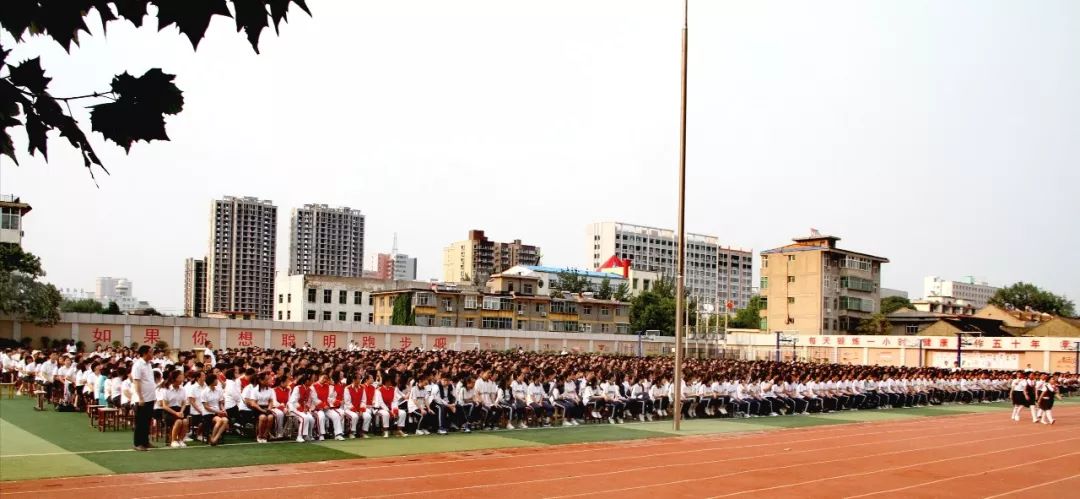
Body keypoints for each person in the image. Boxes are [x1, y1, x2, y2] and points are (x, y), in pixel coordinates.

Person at [130, 346, 157, 451]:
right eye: (151, 352)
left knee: (147, 421)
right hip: (141, 399)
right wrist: (140, 397)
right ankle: (137, 443)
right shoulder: (138, 365)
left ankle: (145, 441)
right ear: (145, 353)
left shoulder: (149, 364)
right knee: (140, 422)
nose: (152, 354)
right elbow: (137, 381)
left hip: (150, 397)